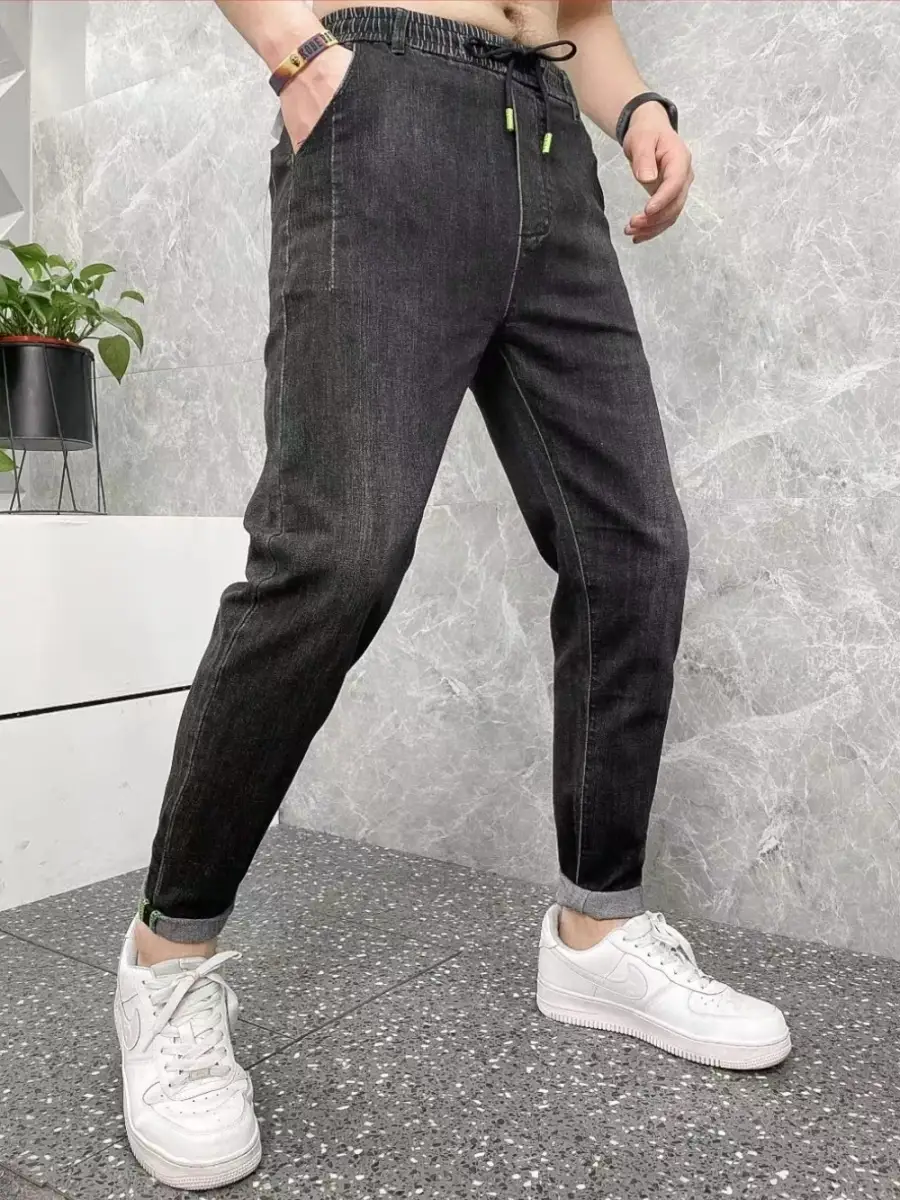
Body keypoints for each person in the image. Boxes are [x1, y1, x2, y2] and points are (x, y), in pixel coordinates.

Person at [113, 0, 792, 1188]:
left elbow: (581, 13)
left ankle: (598, 931)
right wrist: (298, 56)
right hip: (385, 106)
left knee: (633, 548)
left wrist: (636, 108)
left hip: (550, 145)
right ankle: (166, 965)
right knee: (338, 556)